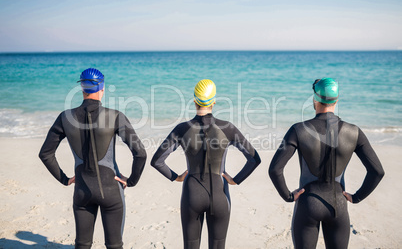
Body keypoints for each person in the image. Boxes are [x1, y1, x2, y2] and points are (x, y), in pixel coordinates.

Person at [269, 78, 385, 249]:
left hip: (308, 203)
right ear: (337, 99)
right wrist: (357, 197)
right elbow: (377, 171)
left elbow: (275, 169)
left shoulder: (298, 130)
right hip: (338, 204)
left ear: (314, 99)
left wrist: (288, 196)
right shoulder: (354, 131)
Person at [39, 68, 147, 249]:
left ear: (82, 88)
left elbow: (45, 154)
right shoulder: (115, 116)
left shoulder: (65, 117)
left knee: (82, 244)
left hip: (82, 191)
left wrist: (65, 179)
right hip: (111, 190)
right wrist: (132, 180)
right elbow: (141, 153)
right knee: (114, 245)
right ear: (102, 89)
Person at [151, 79, 261, 249]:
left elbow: (157, 161)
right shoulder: (228, 128)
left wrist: (176, 177)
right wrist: (235, 180)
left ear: (194, 100)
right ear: (214, 101)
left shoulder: (181, 129)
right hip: (220, 194)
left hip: (191, 195)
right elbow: (254, 159)